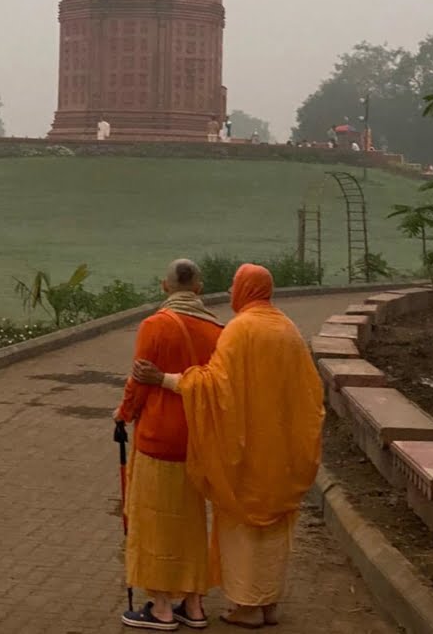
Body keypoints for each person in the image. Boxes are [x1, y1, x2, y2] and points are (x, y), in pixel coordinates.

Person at [133, 264, 324, 629]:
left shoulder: (242, 329)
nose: (233, 289)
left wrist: (164, 379)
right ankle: (269, 604)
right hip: (283, 448)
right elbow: (310, 392)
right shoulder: (287, 328)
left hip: (248, 448)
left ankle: (247, 607)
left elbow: (215, 386)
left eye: (236, 284)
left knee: (245, 529)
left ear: (245, 289)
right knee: (275, 530)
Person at [114, 259, 224, 631]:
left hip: (158, 439)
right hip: (197, 440)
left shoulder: (155, 326)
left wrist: (123, 414)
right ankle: (193, 604)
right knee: (192, 522)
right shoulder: (218, 331)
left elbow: (139, 381)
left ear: (165, 286)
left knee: (155, 520)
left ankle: (161, 606)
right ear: (198, 288)